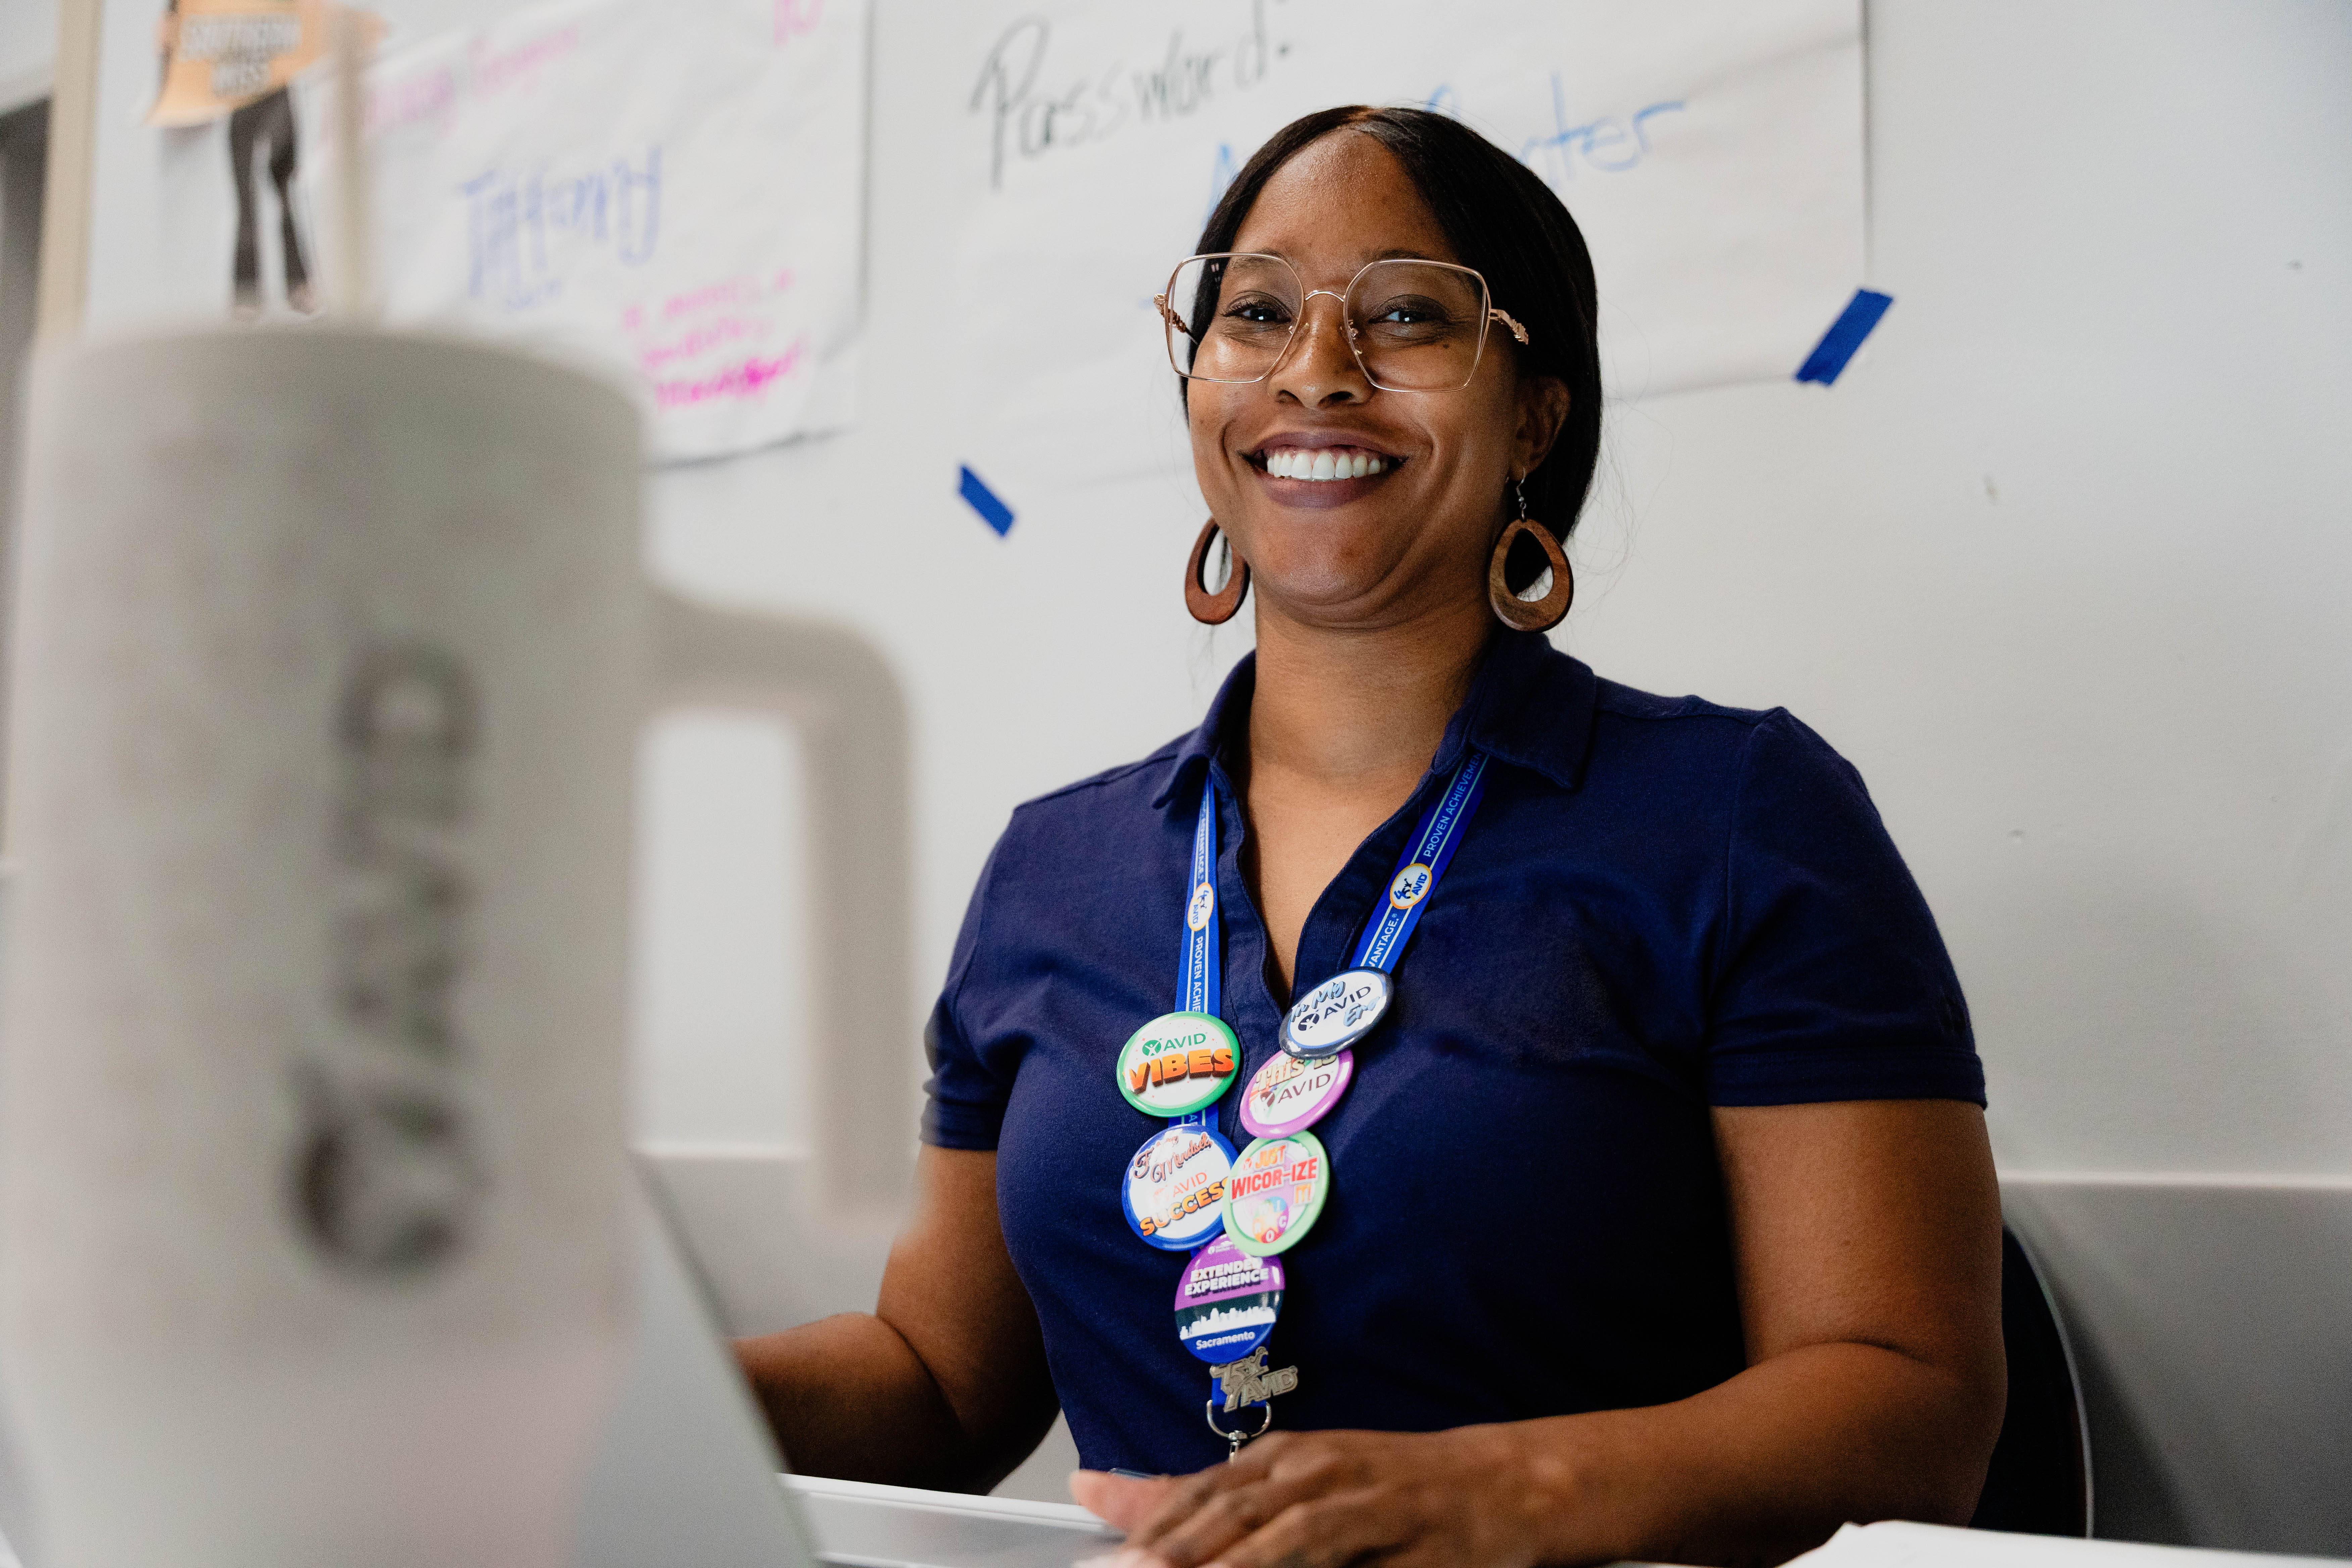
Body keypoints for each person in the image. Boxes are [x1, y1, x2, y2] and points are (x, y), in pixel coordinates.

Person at [735, 105, 2003, 1568]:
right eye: (1256, 312)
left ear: (1538, 409)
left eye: (1406, 316)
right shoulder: (1053, 868)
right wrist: (621, 1395)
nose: (1317, 371)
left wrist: (1497, 1497)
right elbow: (940, 1379)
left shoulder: (1737, 816)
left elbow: (1914, 1406)